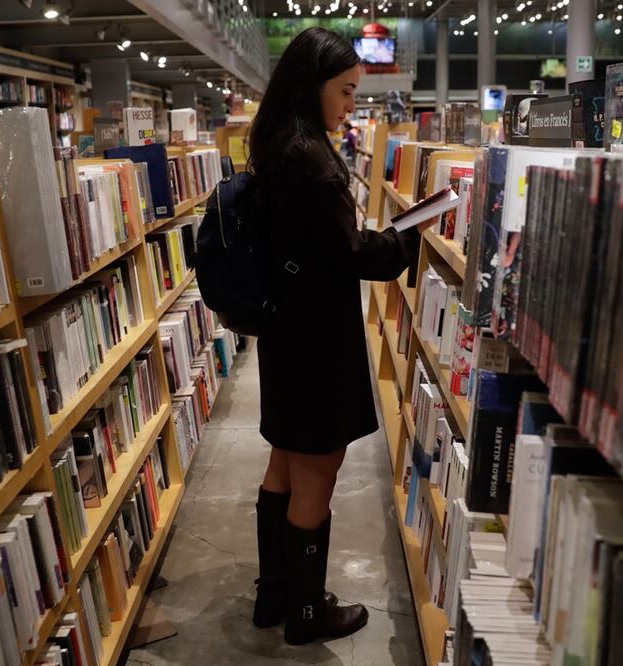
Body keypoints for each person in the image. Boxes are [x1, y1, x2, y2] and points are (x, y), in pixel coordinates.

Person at [245, 27, 429, 646]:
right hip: (317, 339)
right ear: (312, 85)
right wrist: (408, 236)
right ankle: (306, 613)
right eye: (346, 91)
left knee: (284, 461)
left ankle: (273, 597)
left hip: (285, 331)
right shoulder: (311, 159)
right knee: (318, 469)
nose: (352, 104)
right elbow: (350, 254)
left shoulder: (276, 144)